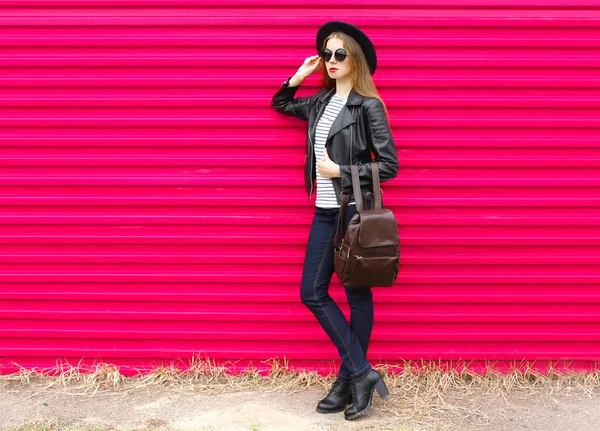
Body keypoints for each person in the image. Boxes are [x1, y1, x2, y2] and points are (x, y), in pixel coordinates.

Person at [270, 21, 399, 421]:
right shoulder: (319, 102)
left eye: (339, 54)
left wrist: (340, 170)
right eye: (326, 53)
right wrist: (300, 75)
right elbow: (280, 102)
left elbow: (390, 166)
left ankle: (347, 380)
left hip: (354, 213)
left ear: (354, 59)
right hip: (325, 214)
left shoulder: (368, 106)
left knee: (358, 296)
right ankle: (361, 373)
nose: (331, 60)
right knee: (312, 292)